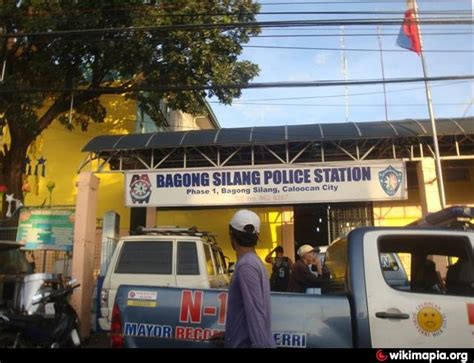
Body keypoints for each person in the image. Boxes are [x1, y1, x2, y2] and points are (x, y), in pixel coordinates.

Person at [211, 209, 276, 348]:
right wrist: (230, 335)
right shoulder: (252, 262)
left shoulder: (247, 266)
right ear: (257, 236)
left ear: (231, 235)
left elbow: (256, 313)